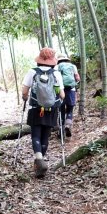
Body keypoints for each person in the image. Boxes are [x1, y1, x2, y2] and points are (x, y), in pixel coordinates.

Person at [21, 47, 65, 178]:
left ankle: (39, 159)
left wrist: (25, 98)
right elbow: (61, 94)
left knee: (35, 135)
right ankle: (42, 161)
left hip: (35, 108)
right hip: (51, 109)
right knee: (45, 136)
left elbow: (24, 92)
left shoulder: (32, 72)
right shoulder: (56, 74)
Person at [56, 53, 80, 137]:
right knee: (70, 109)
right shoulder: (73, 66)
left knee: (61, 110)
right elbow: (77, 78)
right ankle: (68, 125)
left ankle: (61, 130)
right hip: (71, 89)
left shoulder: (57, 67)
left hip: (60, 90)